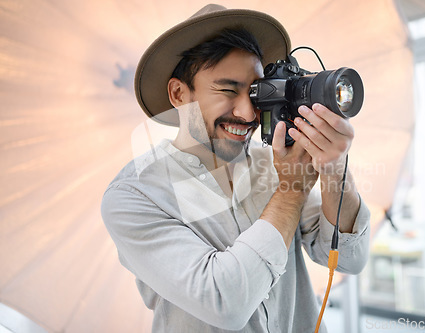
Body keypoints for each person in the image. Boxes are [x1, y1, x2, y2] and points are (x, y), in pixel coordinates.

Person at [101, 4, 370, 332]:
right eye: (228, 90)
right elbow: (224, 301)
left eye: (255, 93)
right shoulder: (134, 195)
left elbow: (349, 258)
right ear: (178, 93)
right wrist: (291, 190)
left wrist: (334, 169)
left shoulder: (274, 164)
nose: (247, 113)